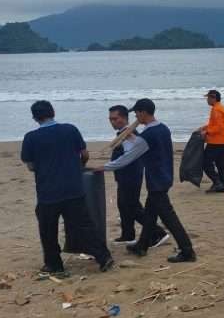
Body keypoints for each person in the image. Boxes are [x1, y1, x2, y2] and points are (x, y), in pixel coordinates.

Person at [21, 100, 114, 274]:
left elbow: (31, 166)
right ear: (53, 112)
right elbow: (84, 154)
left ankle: (54, 264)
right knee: (85, 226)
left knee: (48, 230)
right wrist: (78, 166)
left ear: (35, 118)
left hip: (48, 191)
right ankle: (104, 257)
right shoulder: (70, 129)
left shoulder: (31, 138)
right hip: (73, 188)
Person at [101, 98, 196, 263]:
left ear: (143, 113)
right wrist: (130, 137)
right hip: (164, 176)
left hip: (157, 181)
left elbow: (130, 156)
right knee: (150, 214)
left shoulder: (149, 134)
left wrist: (104, 167)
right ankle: (142, 245)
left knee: (170, 219)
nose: (136, 116)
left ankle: (187, 251)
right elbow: (142, 146)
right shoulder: (162, 128)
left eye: (137, 113)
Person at [108, 105, 168, 247]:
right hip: (123, 175)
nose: (112, 122)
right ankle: (127, 234)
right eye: (110, 119)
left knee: (133, 207)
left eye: (115, 119)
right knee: (123, 205)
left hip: (131, 175)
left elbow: (132, 156)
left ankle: (158, 232)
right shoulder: (122, 134)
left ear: (124, 118)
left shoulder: (130, 134)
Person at [199, 89, 224, 193]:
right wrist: (204, 127)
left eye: (208, 98)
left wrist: (206, 132)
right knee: (221, 164)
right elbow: (215, 124)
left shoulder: (216, 110)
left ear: (213, 98)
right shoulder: (221, 108)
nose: (207, 100)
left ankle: (217, 182)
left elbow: (219, 127)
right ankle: (223, 184)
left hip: (216, 143)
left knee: (205, 163)